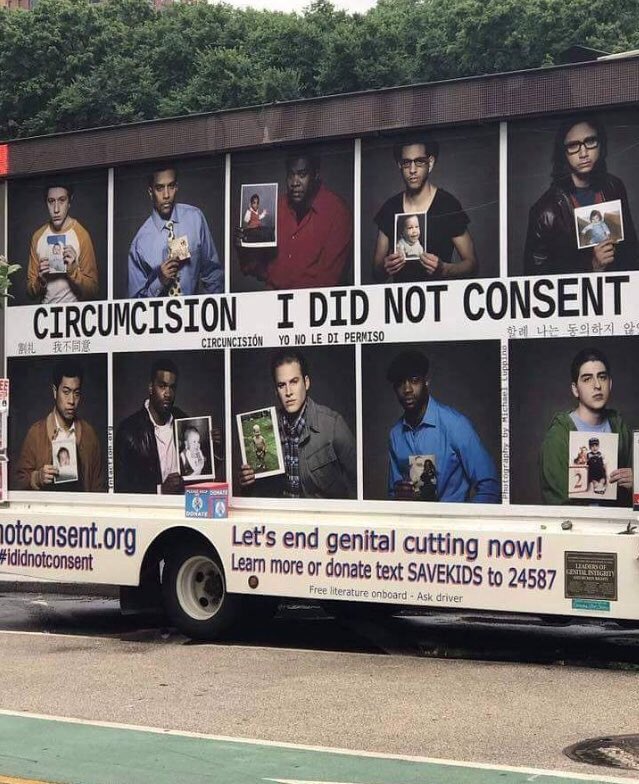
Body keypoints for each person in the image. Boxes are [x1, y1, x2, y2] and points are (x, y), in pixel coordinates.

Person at [524, 115, 638, 275]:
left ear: (600, 144)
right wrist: (592, 267)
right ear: (563, 153)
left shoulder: (614, 186)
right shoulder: (545, 211)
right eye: (573, 146)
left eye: (590, 141)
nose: (583, 153)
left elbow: (631, 251)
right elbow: (535, 278)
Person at [238, 349, 356, 498]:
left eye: (294, 382)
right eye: (282, 385)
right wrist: (248, 483)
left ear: (306, 383)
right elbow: (259, 494)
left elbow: (359, 485)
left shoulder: (333, 425)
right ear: (276, 391)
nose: (288, 392)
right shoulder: (266, 428)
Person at [386, 350, 499, 503]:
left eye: (414, 380)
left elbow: (490, 486)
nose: (407, 389)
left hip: (452, 518)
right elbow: (393, 494)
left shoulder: (455, 425)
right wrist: (399, 498)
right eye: (400, 383)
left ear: (426, 381)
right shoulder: (395, 435)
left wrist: (462, 517)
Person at [236, 151, 352, 289]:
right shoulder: (276, 207)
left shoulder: (337, 211)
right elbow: (259, 269)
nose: (295, 182)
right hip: (275, 299)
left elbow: (330, 280)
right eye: (291, 175)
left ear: (315, 175)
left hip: (316, 300)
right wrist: (244, 247)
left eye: (302, 175)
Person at [373, 134, 478, 283]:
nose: (412, 170)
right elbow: (376, 273)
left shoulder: (447, 204)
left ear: (431, 163)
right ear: (399, 165)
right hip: (401, 296)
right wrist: (386, 268)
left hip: (439, 296)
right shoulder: (390, 208)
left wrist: (444, 269)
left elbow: (472, 265)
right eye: (406, 163)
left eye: (419, 162)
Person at [539, 348, 632, 505]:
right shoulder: (558, 436)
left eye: (602, 377)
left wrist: (636, 483)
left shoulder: (620, 428)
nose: (597, 385)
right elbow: (556, 503)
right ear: (575, 389)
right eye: (587, 379)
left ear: (610, 384)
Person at [128, 165, 224, 298]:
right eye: (159, 188)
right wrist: (159, 282)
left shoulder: (195, 219)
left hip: (195, 309)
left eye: (171, 186)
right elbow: (135, 303)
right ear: (150, 192)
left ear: (177, 187)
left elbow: (213, 273)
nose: (166, 195)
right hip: (160, 311)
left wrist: (209, 307)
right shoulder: (140, 243)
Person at [14, 360, 103, 492]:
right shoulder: (36, 433)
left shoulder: (89, 435)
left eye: (76, 393)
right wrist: (37, 477)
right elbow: (18, 481)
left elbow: (98, 487)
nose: (71, 401)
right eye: (66, 392)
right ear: (55, 392)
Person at [115, 358, 187, 494]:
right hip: (150, 506)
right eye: (162, 386)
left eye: (172, 387)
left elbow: (200, 471)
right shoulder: (128, 431)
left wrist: (215, 448)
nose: (168, 394)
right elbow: (121, 487)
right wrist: (160, 490)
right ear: (150, 388)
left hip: (181, 503)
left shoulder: (183, 420)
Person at [27, 182, 99, 304]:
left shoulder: (81, 234)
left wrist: (73, 272)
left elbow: (93, 290)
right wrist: (41, 280)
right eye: (51, 201)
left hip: (74, 313)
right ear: (46, 203)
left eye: (62, 200)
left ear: (69, 202)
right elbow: (30, 293)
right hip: (45, 313)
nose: (56, 209)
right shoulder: (38, 236)